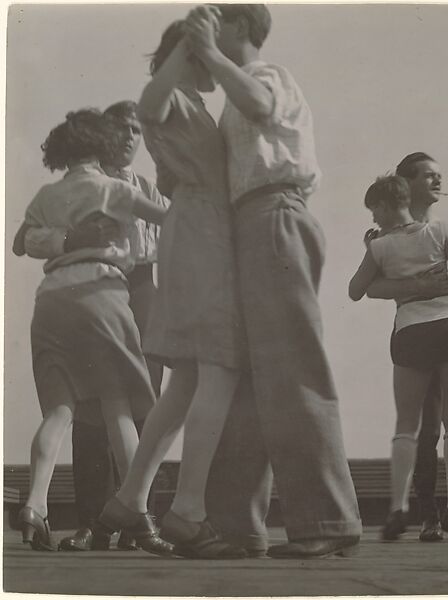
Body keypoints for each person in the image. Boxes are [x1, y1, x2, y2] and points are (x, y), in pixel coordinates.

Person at [184, 4, 362, 559]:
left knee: (291, 367)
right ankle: (238, 526)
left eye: (217, 25)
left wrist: (209, 52)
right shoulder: (234, 95)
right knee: (243, 377)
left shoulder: (266, 76)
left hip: (274, 216)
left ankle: (328, 521)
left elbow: (260, 106)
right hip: (246, 225)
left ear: (239, 28)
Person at [96, 20, 248, 559]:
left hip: (189, 230)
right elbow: (148, 101)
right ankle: (186, 513)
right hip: (202, 230)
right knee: (219, 365)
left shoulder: (188, 101)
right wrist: (192, 44)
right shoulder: (172, 95)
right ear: (189, 51)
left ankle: (130, 498)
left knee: (184, 375)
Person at [13, 109, 172, 554]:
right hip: (102, 295)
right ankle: (138, 513)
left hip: (51, 302)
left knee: (59, 411)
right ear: (101, 145)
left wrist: (63, 237)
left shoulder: (47, 192)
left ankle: (35, 506)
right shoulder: (116, 189)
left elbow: (19, 241)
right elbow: (170, 219)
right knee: (118, 405)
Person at [349, 174, 448, 542]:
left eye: (374, 211)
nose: (374, 219)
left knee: (407, 425)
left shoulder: (380, 246)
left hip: (410, 331)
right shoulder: (440, 231)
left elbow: (356, 290)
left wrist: (369, 251)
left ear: (387, 205)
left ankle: (398, 507)